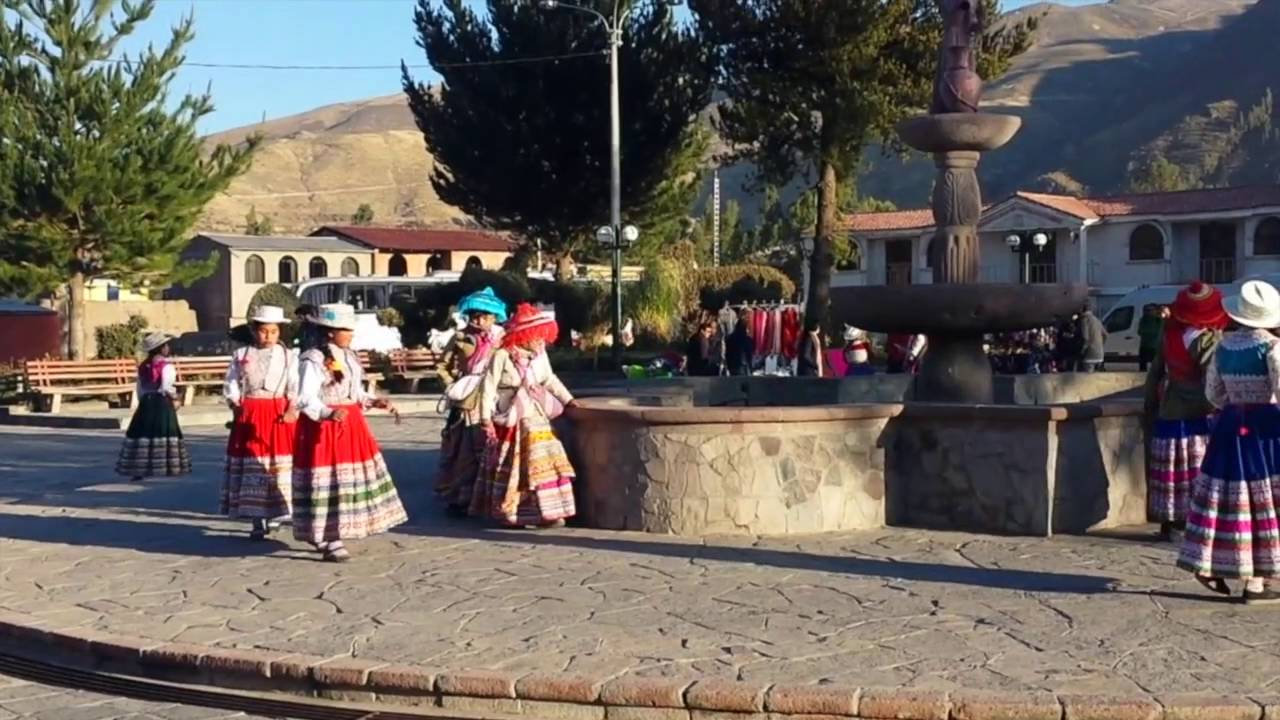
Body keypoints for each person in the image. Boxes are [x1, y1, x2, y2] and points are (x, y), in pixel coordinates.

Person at [1177, 280, 1280, 605]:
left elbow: (1214, 394)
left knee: (1226, 499)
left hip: (1231, 426)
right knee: (1265, 502)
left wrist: (1235, 405)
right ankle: (1258, 581)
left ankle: (1211, 563)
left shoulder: (1223, 346)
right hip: (1266, 428)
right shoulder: (1273, 348)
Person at [293, 303, 407, 562]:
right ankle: (330, 536)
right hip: (326, 427)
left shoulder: (350, 357)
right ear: (330, 332)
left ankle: (336, 530)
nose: (350, 334)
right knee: (330, 479)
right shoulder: (313, 359)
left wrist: (374, 401)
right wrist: (327, 413)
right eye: (346, 330)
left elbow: (354, 393)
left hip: (350, 424)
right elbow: (305, 397)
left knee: (348, 479)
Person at [473, 304, 577, 528]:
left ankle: (549, 512)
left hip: (536, 417)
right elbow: (488, 387)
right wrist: (484, 418)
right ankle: (511, 512)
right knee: (513, 468)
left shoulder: (540, 356)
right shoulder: (501, 356)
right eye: (537, 336)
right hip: (511, 420)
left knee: (545, 462)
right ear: (524, 335)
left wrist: (569, 400)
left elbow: (549, 379)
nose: (541, 341)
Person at [1142, 282, 1227, 541]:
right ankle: (1194, 521)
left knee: (1170, 472)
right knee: (1194, 471)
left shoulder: (1169, 336)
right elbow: (1212, 381)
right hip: (1199, 416)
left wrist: (1150, 406)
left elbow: (1154, 374)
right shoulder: (1208, 340)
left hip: (1169, 412)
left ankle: (1169, 521)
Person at [222, 305, 299, 541]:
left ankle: (278, 513)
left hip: (278, 413)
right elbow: (232, 382)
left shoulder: (288, 356)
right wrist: (236, 403)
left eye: (274, 331)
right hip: (252, 412)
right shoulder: (242, 355)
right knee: (253, 463)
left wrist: (292, 407)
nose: (269, 336)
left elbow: (294, 384)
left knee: (277, 464)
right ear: (255, 331)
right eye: (264, 331)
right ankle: (256, 518)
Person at [436, 287, 507, 517]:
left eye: (485, 315)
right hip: (467, 399)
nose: (479, 319)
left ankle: (488, 495)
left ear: (494, 317)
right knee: (463, 449)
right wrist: (451, 385)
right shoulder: (459, 338)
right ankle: (461, 496)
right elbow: (442, 366)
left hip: (494, 398)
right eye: (475, 314)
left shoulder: (501, 340)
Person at [116, 332, 192, 482]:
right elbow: (166, 387)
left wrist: (143, 401)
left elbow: (140, 388)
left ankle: (139, 468)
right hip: (161, 402)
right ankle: (168, 466)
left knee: (143, 433)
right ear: (161, 348)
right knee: (164, 431)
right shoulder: (166, 366)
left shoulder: (144, 366)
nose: (168, 348)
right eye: (166, 345)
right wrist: (175, 397)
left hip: (147, 402)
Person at [1077, 303, 1107, 372]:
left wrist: (1082, 351)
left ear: (1082, 310)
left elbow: (1085, 338)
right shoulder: (1097, 320)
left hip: (1089, 355)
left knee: (1087, 379)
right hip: (1100, 355)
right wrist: (1101, 345)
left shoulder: (1084, 320)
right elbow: (1105, 335)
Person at [1137, 304, 1164, 372]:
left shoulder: (1158, 320)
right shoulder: (1143, 319)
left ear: (1155, 311)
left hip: (1154, 346)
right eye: (1146, 310)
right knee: (1143, 366)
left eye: (1150, 310)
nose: (1147, 312)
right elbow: (1139, 331)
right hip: (1145, 345)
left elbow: (1158, 331)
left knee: (1156, 366)